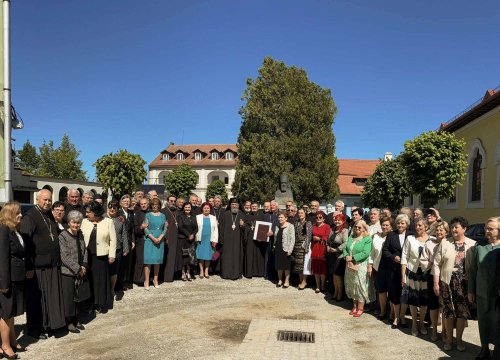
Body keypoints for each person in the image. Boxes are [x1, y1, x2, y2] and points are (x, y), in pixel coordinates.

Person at [21, 189, 66, 339]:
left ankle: (52, 324)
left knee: (51, 298)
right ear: (37, 200)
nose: (47, 202)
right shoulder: (30, 217)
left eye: (49, 200)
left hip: (52, 264)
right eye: (44, 200)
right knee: (37, 300)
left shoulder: (48, 216)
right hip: (37, 267)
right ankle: (35, 328)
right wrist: (28, 266)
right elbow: (25, 243)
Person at [432, 216, 475, 352]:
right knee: (448, 312)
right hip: (447, 281)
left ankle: (459, 339)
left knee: (462, 313)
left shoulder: (473, 244)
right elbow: (436, 264)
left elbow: (475, 267)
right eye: (452, 227)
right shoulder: (445, 243)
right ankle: (449, 340)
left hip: (465, 284)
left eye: (456, 227)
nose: (453, 229)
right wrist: (436, 283)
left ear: (464, 229)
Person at [467, 217, 500, 360]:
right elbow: (473, 270)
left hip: (497, 293)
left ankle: (498, 350)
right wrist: (471, 290)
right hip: (482, 292)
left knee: (498, 321)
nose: (486, 230)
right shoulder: (479, 246)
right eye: (486, 228)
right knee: (483, 320)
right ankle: (484, 348)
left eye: (490, 229)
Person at [0, 202, 27, 357]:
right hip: (7, 281)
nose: (21, 215)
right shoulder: (3, 230)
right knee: (6, 314)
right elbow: (2, 258)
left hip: (17, 279)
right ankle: (4, 346)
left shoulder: (14, 230)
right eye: (17, 213)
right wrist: (3, 284)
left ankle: (13, 340)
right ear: (10, 214)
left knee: (12, 313)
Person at [81, 201, 116, 313]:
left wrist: (112, 255)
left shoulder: (108, 222)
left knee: (100, 281)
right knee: (89, 280)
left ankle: (98, 303)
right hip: (87, 256)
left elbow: (113, 239)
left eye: (88, 212)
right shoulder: (84, 222)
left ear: (95, 212)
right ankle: (89, 303)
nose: (86, 214)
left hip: (101, 257)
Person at [401, 216, 432, 336]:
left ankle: (421, 323)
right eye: (416, 225)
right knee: (413, 299)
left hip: (426, 274)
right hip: (412, 272)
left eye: (420, 225)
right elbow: (404, 256)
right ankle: (414, 323)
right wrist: (403, 275)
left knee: (424, 300)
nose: (417, 227)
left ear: (426, 227)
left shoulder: (432, 240)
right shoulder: (410, 238)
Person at [58, 210, 87, 333]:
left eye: (78, 223)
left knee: (78, 296)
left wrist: (84, 265)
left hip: (80, 270)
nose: (76, 225)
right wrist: (77, 268)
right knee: (69, 298)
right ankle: (69, 321)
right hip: (68, 272)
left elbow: (84, 250)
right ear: (69, 222)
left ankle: (76, 318)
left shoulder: (80, 234)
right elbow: (64, 256)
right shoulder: (63, 236)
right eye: (73, 222)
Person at [382, 214, 411, 329]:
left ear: (407, 224)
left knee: (405, 294)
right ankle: (396, 317)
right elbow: (385, 250)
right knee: (394, 293)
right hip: (393, 269)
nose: (400, 225)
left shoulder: (411, 235)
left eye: (402, 223)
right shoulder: (391, 235)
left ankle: (402, 317)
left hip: (407, 269)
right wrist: (393, 257)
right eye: (398, 223)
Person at [344, 220, 374, 317]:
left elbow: (366, 253)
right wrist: (346, 257)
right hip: (349, 265)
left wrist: (352, 258)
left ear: (364, 228)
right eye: (356, 227)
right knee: (352, 285)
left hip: (360, 265)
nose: (357, 228)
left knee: (360, 286)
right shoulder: (351, 237)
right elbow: (346, 248)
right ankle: (354, 306)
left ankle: (361, 308)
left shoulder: (367, 239)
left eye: (359, 227)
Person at [425, 220, 448, 342]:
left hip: (446, 277)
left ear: (446, 232)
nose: (439, 232)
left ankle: (445, 331)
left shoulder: (450, 243)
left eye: (441, 230)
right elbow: (424, 261)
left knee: (444, 306)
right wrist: (431, 262)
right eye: (437, 230)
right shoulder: (429, 243)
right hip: (432, 276)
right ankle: (434, 329)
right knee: (433, 305)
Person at [368, 216, 393, 320]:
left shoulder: (395, 236)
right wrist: (370, 265)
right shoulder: (376, 236)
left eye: (387, 225)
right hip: (378, 267)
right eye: (383, 225)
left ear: (391, 226)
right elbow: (372, 253)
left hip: (392, 268)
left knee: (392, 292)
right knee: (381, 291)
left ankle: (392, 314)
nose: (385, 227)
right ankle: (383, 312)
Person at [105, 200, 129, 297]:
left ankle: (112, 289)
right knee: (106, 270)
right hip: (106, 249)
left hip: (118, 249)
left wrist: (125, 248)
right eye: (110, 207)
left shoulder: (120, 219)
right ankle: (105, 289)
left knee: (114, 271)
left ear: (117, 209)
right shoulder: (103, 218)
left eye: (114, 208)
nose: (112, 209)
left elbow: (124, 234)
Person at [143, 198, 167, 289]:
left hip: (160, 240)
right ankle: (146, 280)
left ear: (159, 205)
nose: (155, 206)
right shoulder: (148, 215)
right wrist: (153, 238)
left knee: (157, 261)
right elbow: (145, 228)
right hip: (150, 240)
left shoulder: (163, 216)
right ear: (151, 205)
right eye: (153, 204)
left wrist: (160, 237)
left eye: (156, 204)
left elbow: (165, 228)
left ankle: (155, 279)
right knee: (148, 261)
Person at [220, 198, 244, 280]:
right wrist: (221, 239)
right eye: (233, 204)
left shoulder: (242, 214)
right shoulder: (225, 214)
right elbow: (221, 227)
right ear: (230, 205)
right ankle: (226, 274)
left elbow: (247, 228)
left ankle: (236, 274)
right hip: (227, 240)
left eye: (236, 205)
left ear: (238, 206)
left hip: (238, 240)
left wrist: (242, 225)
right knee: (227, 256)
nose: (234, 206)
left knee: (237, 256)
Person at [327, 213, 348, 301]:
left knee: (338, 275)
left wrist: (337, 250)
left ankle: (340, 294)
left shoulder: (345, 230)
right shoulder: (333, 229)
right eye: (336, 219)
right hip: (331, 254)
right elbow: (328, 241)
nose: (337, 221)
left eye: (339, 220)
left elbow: (346, 243)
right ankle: (335, 292)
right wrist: (327, 247)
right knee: (334, 275)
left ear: (343, 221)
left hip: (339, 255)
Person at [162, 195, 182, 283]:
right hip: (167, 237)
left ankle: (173, 275)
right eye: (171, 201)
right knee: (167, 257)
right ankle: (165, 277)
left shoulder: (178, 211)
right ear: (167, 201)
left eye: (174, 201)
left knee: (174, 257)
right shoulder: (163, 211)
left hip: (176, 237)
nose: (173, 203)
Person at [195, 203, 218, 278]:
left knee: (208, 256)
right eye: (204, 208)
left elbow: (216, 230)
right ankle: (201, 271)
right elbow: (195, 228)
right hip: (200, 239)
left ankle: (206, 271)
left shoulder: (213, 218)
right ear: (202, 209)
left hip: (209, 239)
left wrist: (215, 240)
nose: (206, 209)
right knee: (201, 256)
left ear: (210, 209)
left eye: (208, 208)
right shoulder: (197, 217)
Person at [310, 210, 331, 293]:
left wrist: (320, 238)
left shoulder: (327, 226)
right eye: (317, 217)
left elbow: (327, 237)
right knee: (315, 268)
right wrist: (313, 238)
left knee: (322, 268)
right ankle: (317, 285)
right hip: (315, 247)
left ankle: (323, 285)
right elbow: (310, 236)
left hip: (323, 248)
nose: (318, 218)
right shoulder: (313, 226)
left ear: (323, 219)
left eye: (320, 217)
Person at [273, 211, 295, 288]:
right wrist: (274, 246)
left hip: (286, 248)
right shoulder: (277, 226)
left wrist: (290, 250)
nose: (280, 219)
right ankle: (280, 280)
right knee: (279, 265)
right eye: (279, 217)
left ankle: (286, 281)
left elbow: (292, 239)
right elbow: (275, 237)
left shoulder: (290, 226)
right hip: (278, 248)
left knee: (286, 266)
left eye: (281, 217)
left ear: (286, 218)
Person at [177, 202, 198, 281]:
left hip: (191, 240)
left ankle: (188, 272)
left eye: (189, 207)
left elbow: (196, 227)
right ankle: (183, 272)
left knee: (190, 257)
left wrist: (193, 235)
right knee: (184, 257)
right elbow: (180, 227)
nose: (187, 209)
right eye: (186, 207)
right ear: (183, 208)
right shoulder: (180, 216)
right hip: (183, 239)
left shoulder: (194, 216)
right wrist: (189, 235)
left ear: (191, 208)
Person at [118, 195, 135, 290]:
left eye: (128, 201)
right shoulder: (119, 213)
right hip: (121, 240)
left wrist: (133, 240)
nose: (126, 203)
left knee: (129, 261)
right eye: (124, 201)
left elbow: (132, 228)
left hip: (129, 240)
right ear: (121, 202)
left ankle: (127, 280)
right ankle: (120, 282)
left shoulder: (131, 213)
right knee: (122, 262)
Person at [293, 208, 312, 290]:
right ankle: (300, 280)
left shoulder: (308, 223)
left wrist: (307, 246)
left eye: (302, 213)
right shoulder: (296, 223)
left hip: (304, 245)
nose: (300, 214)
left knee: (304, 264)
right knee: (298, 264)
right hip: (297, 245)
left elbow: (309, 235)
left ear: (305, 214)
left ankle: (304, 281)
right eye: (299, 213)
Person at [133, 198, 149, 284]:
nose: (143, 205)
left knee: (148, 260)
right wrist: (141, 227)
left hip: (150, 240)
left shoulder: (151, 213)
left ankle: (147, 278)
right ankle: (138, 279)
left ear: (148, 204)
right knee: (140, 260)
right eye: (142, 204)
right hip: (140, 239)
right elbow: (135, 229)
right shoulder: (137, 214)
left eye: (145, 203)